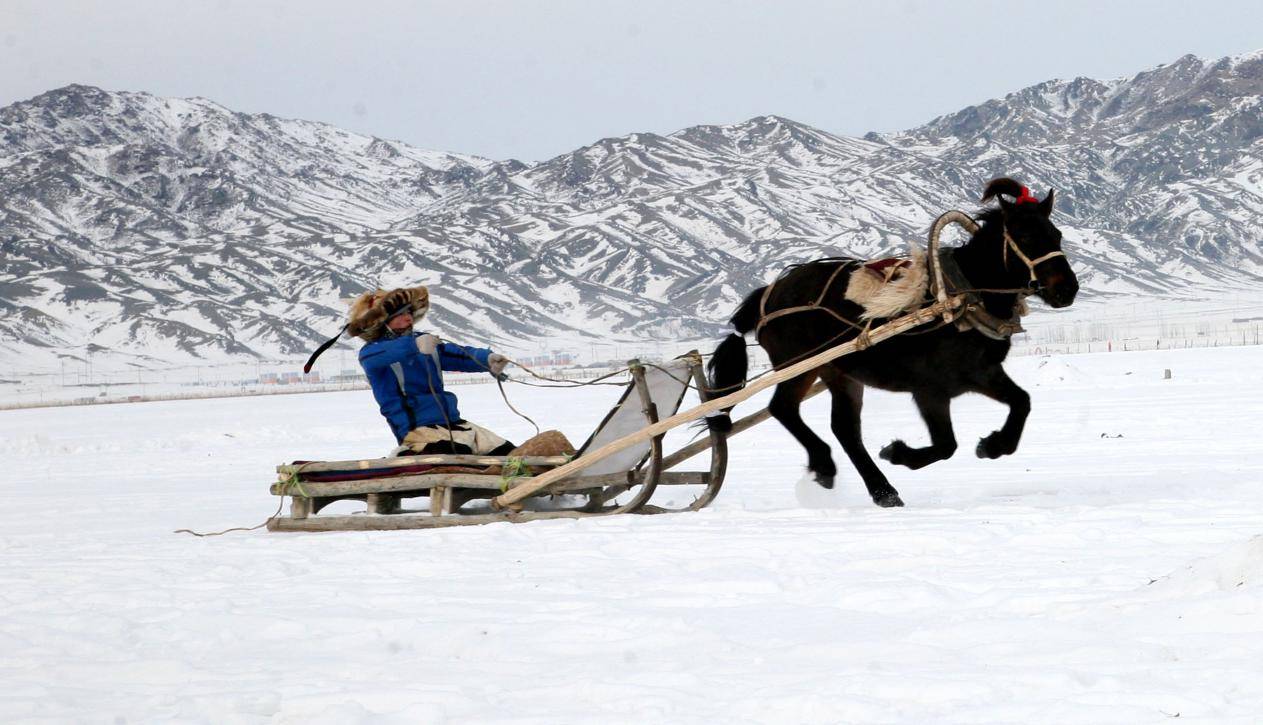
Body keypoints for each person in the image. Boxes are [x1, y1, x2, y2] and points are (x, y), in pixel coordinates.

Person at [345, 285, 517, 456]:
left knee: (507, 452)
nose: (408, 318)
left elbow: (459, 355)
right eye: (400, 314)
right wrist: (413, 346)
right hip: (417, 431)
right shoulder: (372, 353)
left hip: (453, 423)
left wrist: (486, 359)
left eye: (409, 313)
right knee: (456, 454)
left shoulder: (424, 342)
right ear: (383, 321)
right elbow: (384, 354)